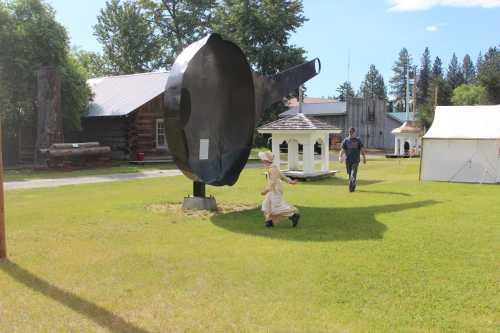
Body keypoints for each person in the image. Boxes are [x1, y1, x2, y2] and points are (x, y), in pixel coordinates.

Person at [258, 151, 300, 228]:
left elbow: (273, 183)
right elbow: (282, 176)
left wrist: (265, 191)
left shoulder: (272, 169)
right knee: (266, 206)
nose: (261, 160)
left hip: (275, 190)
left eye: (262, 159)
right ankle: (269, 221)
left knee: (277, 206)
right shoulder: (272, 168)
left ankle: (293, 213)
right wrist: (290, 181)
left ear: (265, 160)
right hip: (272, 190)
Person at [339, 127, 367, 192]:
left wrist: (364, 158)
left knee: (353, 173)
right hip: (348, 160)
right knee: (349, 174)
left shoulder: (358, 140)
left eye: (352, 132)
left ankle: (352, 183)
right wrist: (340, 157)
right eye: (350, 132)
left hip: (355, 160)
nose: (351, 133)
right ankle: (352, 186)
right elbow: (342, 150)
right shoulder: (346, 140)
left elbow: (362, 150)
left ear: (354, 133)